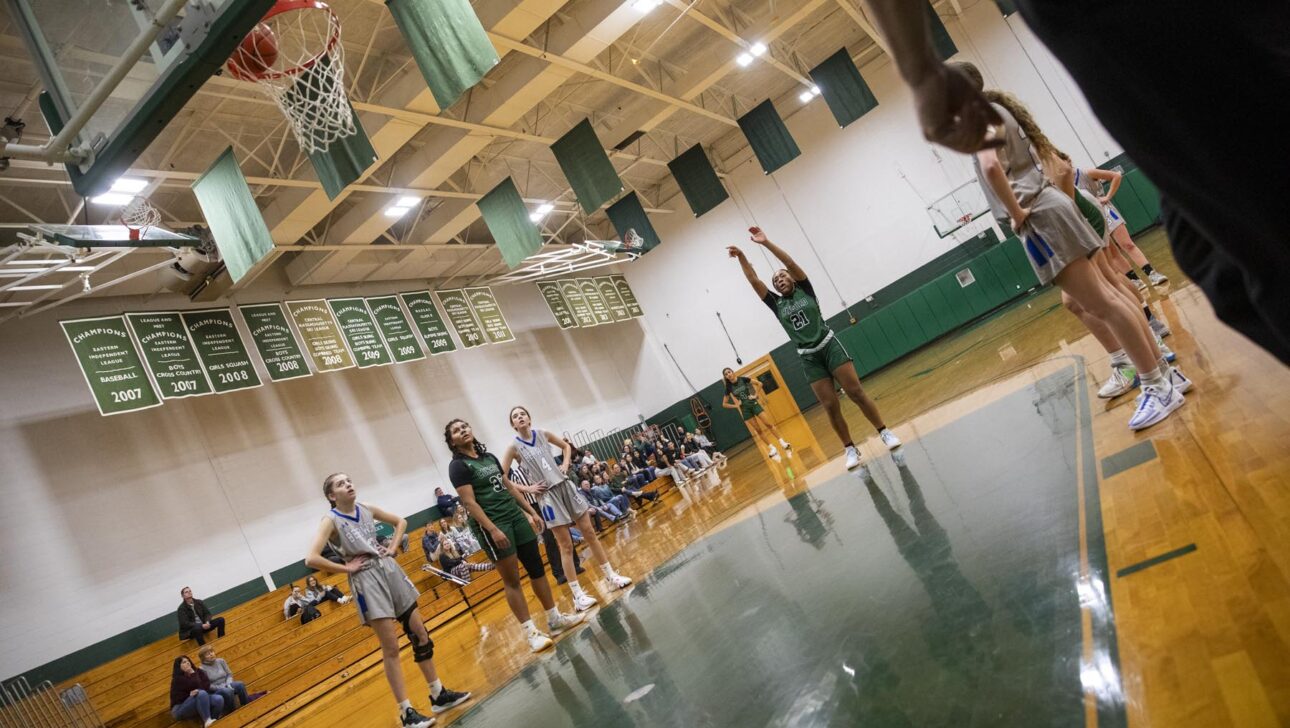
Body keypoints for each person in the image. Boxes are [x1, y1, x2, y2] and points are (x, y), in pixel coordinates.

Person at [860, 0, 1290, 366]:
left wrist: (919, 70)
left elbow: (1026, 169)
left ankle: (1151, 369)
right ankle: (1151, 356)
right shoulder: (1008, 114)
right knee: (1194, 254)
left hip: (1052, 203)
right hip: (1068, 181)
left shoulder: (988, 120)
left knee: (1114, 290)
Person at [955, 63, 1191, 429]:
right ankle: (1163, 375)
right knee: (1108, 296)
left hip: (1040, 216)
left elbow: (990, 167)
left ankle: (1155, 385)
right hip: (1051, 207)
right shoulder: (994, 109)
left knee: (1103, 302)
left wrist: (1016, 212)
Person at [304, 473, 472, 727]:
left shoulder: (366, 508)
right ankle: (406, 713)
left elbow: (400, 521)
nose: (348, 484)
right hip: (365, 579)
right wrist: (346, 569)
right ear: (331, 496)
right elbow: (311, 558)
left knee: (420, 633)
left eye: (349, 480)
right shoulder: (331, 520)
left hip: (389, 568)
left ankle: (438, 694)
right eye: (341, 484)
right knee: (391, 646)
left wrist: (393, 547)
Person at [729, 227, 902, 470]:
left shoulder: (805, 288)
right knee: (831, 406)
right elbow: (753, 280)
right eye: (776, 280)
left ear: (791, 278)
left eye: (782, 276)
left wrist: (766, 242)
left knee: (856, 393)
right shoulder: (776, 304)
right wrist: (743, 257)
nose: (780, 279)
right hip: (809, 358)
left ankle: (884, 432)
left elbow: (788, 261)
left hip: (829, 345)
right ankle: (850, 448)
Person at [445, 418, 586, 653]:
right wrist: (492, 529)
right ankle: (530, 632)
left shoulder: (488, 458)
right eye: (457, 431)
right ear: (452, 441)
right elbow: (469, 503)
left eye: (465, 426)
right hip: (494, 524)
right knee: (512, 580)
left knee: (537, 569)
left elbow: (508, 488)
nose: (463, 431)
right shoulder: (458, 466)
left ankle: (554, 619)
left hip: (515, 516)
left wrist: (531, 512)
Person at [501, 406, 633, 613]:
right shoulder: (513, 447)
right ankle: (577, 595)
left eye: (523, 414)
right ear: (513, 425)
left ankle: (611, 576)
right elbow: (503, 477)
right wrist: (528, 488)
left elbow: (566, 446)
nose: (520, 417)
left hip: (565, 486)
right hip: (546, 496)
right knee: (565, 545)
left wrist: (565, 463)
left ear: (529, 418)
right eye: (515, 416)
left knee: (590, 532)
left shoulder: (543, 433)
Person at [1072, 166, 1169, 290]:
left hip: (1105, 210)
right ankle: (1135, 281)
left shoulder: (1086, 172)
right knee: (1113, 253)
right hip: (1088, 219)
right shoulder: (1059, 185)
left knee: (1127, 244)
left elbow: (1116, 175)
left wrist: (1107, 197)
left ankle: (1152, 274)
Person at [721, 368, 792, 459]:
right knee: (758, 430)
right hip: (745, 410)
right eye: (726, 374)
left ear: (732, 372)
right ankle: (772, 448)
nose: (728, 374)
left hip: (754, 404)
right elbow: (724, 404)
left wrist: (755, 395)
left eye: (729, 372)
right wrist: (736, 405)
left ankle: (783, 443)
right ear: (726, 377)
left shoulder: (743, 379)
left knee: (768, 424)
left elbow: (760, 383)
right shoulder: (728, 388)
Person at [198, 645, 264, 713]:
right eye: (207, 654)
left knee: (240, 684)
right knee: (227, 691)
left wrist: (228, 684)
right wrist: (222, 687)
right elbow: (208, 685)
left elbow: (229, 674)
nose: (211, 654)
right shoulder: (201, 669)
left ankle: (246, 705)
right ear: (203, 658)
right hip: (216, 690)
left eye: (211, 652)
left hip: (227, 684)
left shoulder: (221, 661)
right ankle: (232, 711)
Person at [169, 655, 224, 726]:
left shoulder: (198, 671)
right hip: (179, 708)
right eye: (184, 662)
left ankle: (212, 723)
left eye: (188, 661)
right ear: (179, 667)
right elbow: (193, 685)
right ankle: (207, 720)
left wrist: (197, 690)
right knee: (201, 693)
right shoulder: (177, 679)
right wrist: (192, 673)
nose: (188, 663)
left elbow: (206, 684)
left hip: (199, 698)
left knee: (218, 699)